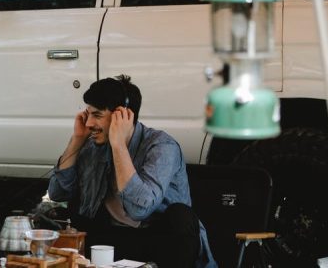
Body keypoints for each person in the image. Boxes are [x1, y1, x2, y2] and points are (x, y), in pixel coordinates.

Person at [48, 75, 216, 268]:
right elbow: (57, 193)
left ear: (122, 115)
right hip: (113, 238)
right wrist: (77, 139)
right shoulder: (93, 145)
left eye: (97, 115)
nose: (89, 124)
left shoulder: (162, 146)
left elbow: (139, 209)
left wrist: (119, 145)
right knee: (59, 218)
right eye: (88, 114)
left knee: (181, 216)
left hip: (158, 240)